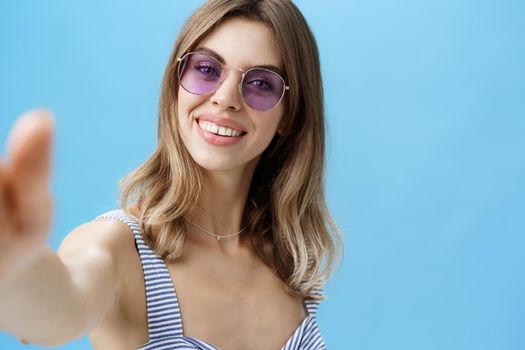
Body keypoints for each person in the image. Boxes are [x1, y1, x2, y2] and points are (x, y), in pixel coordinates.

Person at [0, 0, 342, 349]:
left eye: (261, 84)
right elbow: (61, 307)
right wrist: (14, 265)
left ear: (289, 115)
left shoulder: (289, 262)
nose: (225, 99)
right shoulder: (119, 247)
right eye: (207, 69)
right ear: (175, 84)